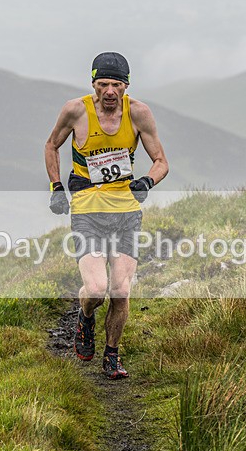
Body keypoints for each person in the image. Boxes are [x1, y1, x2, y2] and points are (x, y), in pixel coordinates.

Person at [44, 52, 168, 379]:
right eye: (103, 84)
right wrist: (57, 186)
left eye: (116, 84)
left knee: (121, 290)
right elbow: (51, 145)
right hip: (87, 210)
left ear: (126, 86)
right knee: (97, 289)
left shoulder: (139, 114)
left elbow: (161, 161)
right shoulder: (75, 111)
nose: (110, 91)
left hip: (126, 212)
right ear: (93, 85)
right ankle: (85, 318)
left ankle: (112, 355)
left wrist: (147, 181)